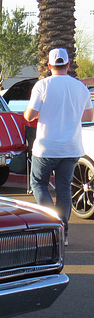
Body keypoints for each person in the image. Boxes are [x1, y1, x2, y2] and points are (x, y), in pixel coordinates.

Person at [23, 48, 94, 245]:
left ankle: (51, 224)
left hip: (46, 147)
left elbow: (30, 116)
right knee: (64, 189)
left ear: (49, 66)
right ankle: (62, 233)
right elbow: (89, 116)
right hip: (71, 148)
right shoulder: (80, 87)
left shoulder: (42, 85)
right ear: (68, 65)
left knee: (38, 184)